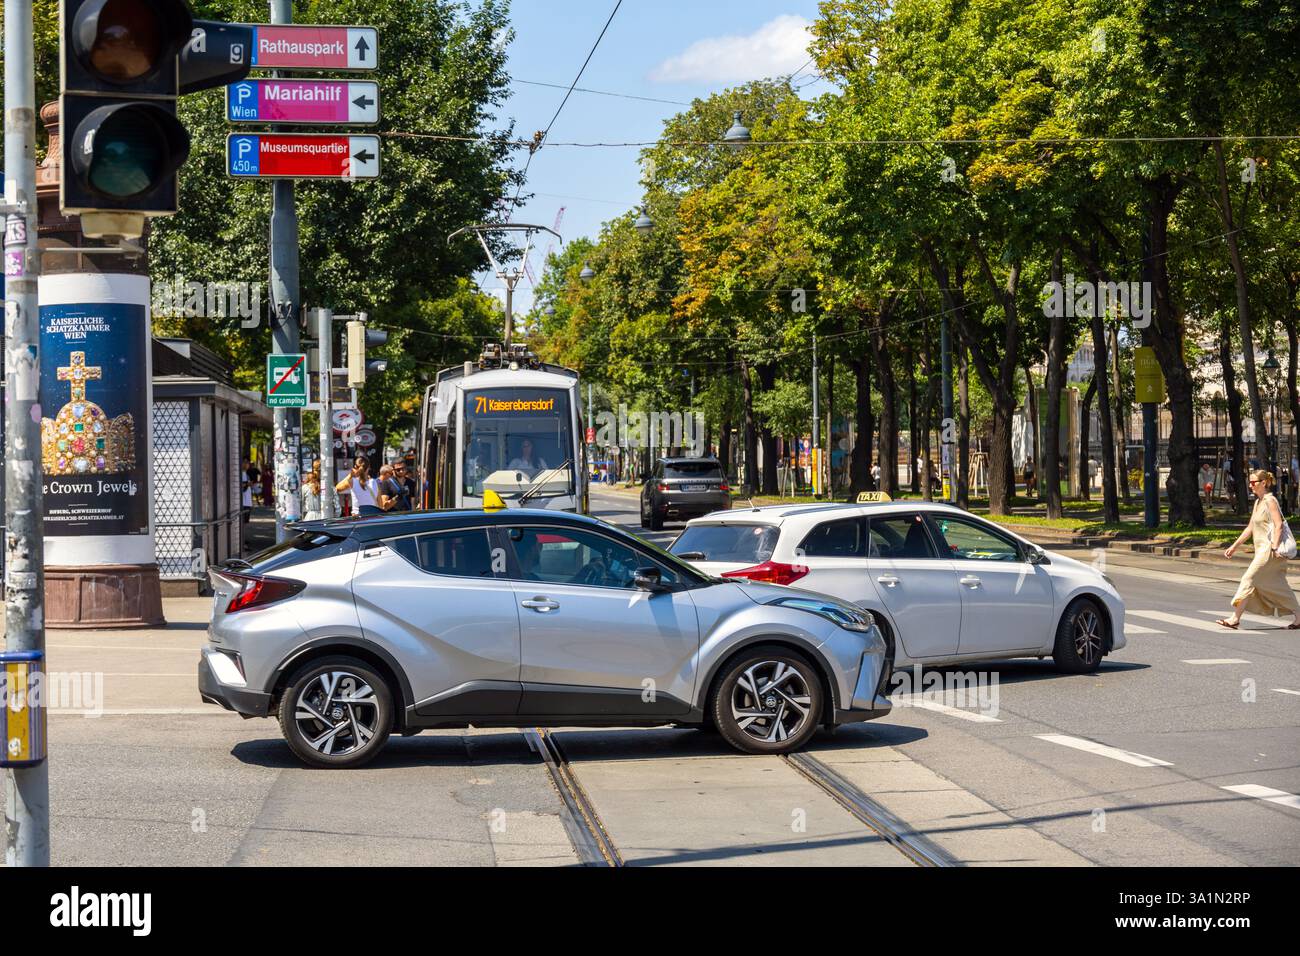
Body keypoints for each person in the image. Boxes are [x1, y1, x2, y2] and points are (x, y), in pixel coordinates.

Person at [1218, 469, 1300, 629]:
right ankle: (1299, 617)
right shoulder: (1258, 502)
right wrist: (1234, 546)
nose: (1250, 485)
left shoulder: (1271, 501)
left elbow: (1278, 525)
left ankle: (1235, 618)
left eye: (1253, 482)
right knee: (1277, 585)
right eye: (1249, 482)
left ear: (1264, 483)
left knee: (1248, 579)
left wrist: (1275, 547)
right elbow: (1250, 527)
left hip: (1269, 551)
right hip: (1262, 550)